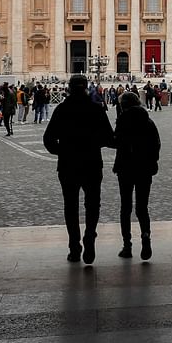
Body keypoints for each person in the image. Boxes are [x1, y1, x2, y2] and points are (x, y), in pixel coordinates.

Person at [43, 74, 115, 264]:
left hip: (68, 164)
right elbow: (109, 138)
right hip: (92, 162)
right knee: (93, 204)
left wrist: (63, 151)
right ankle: (90, 236)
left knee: (70, 206)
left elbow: (48, 139)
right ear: (86, 88)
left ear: (69, 88)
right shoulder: (95, 109)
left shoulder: (62, 109)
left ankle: (74, 246)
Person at [111, 92, 160, 260]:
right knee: (142, 207)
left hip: (125, 168)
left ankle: (127, 245)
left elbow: (115, 141)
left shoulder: (123, 121)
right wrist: (153, 162)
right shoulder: (148, 121)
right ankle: (146, 236)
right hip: (144, 168)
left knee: (126, 207)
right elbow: (156, 144)